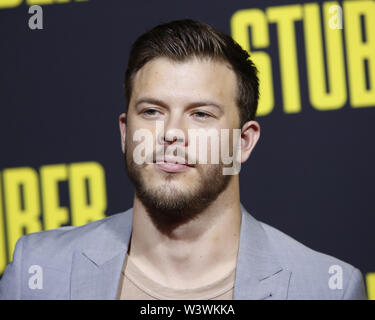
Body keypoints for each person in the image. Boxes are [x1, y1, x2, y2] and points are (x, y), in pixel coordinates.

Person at [0, 19, 367, 300]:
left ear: (243, 142)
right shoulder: (38, 272)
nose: (172, 131)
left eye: (201, 114)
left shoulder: (325, 288)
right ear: (126, 133)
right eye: (152, 111)